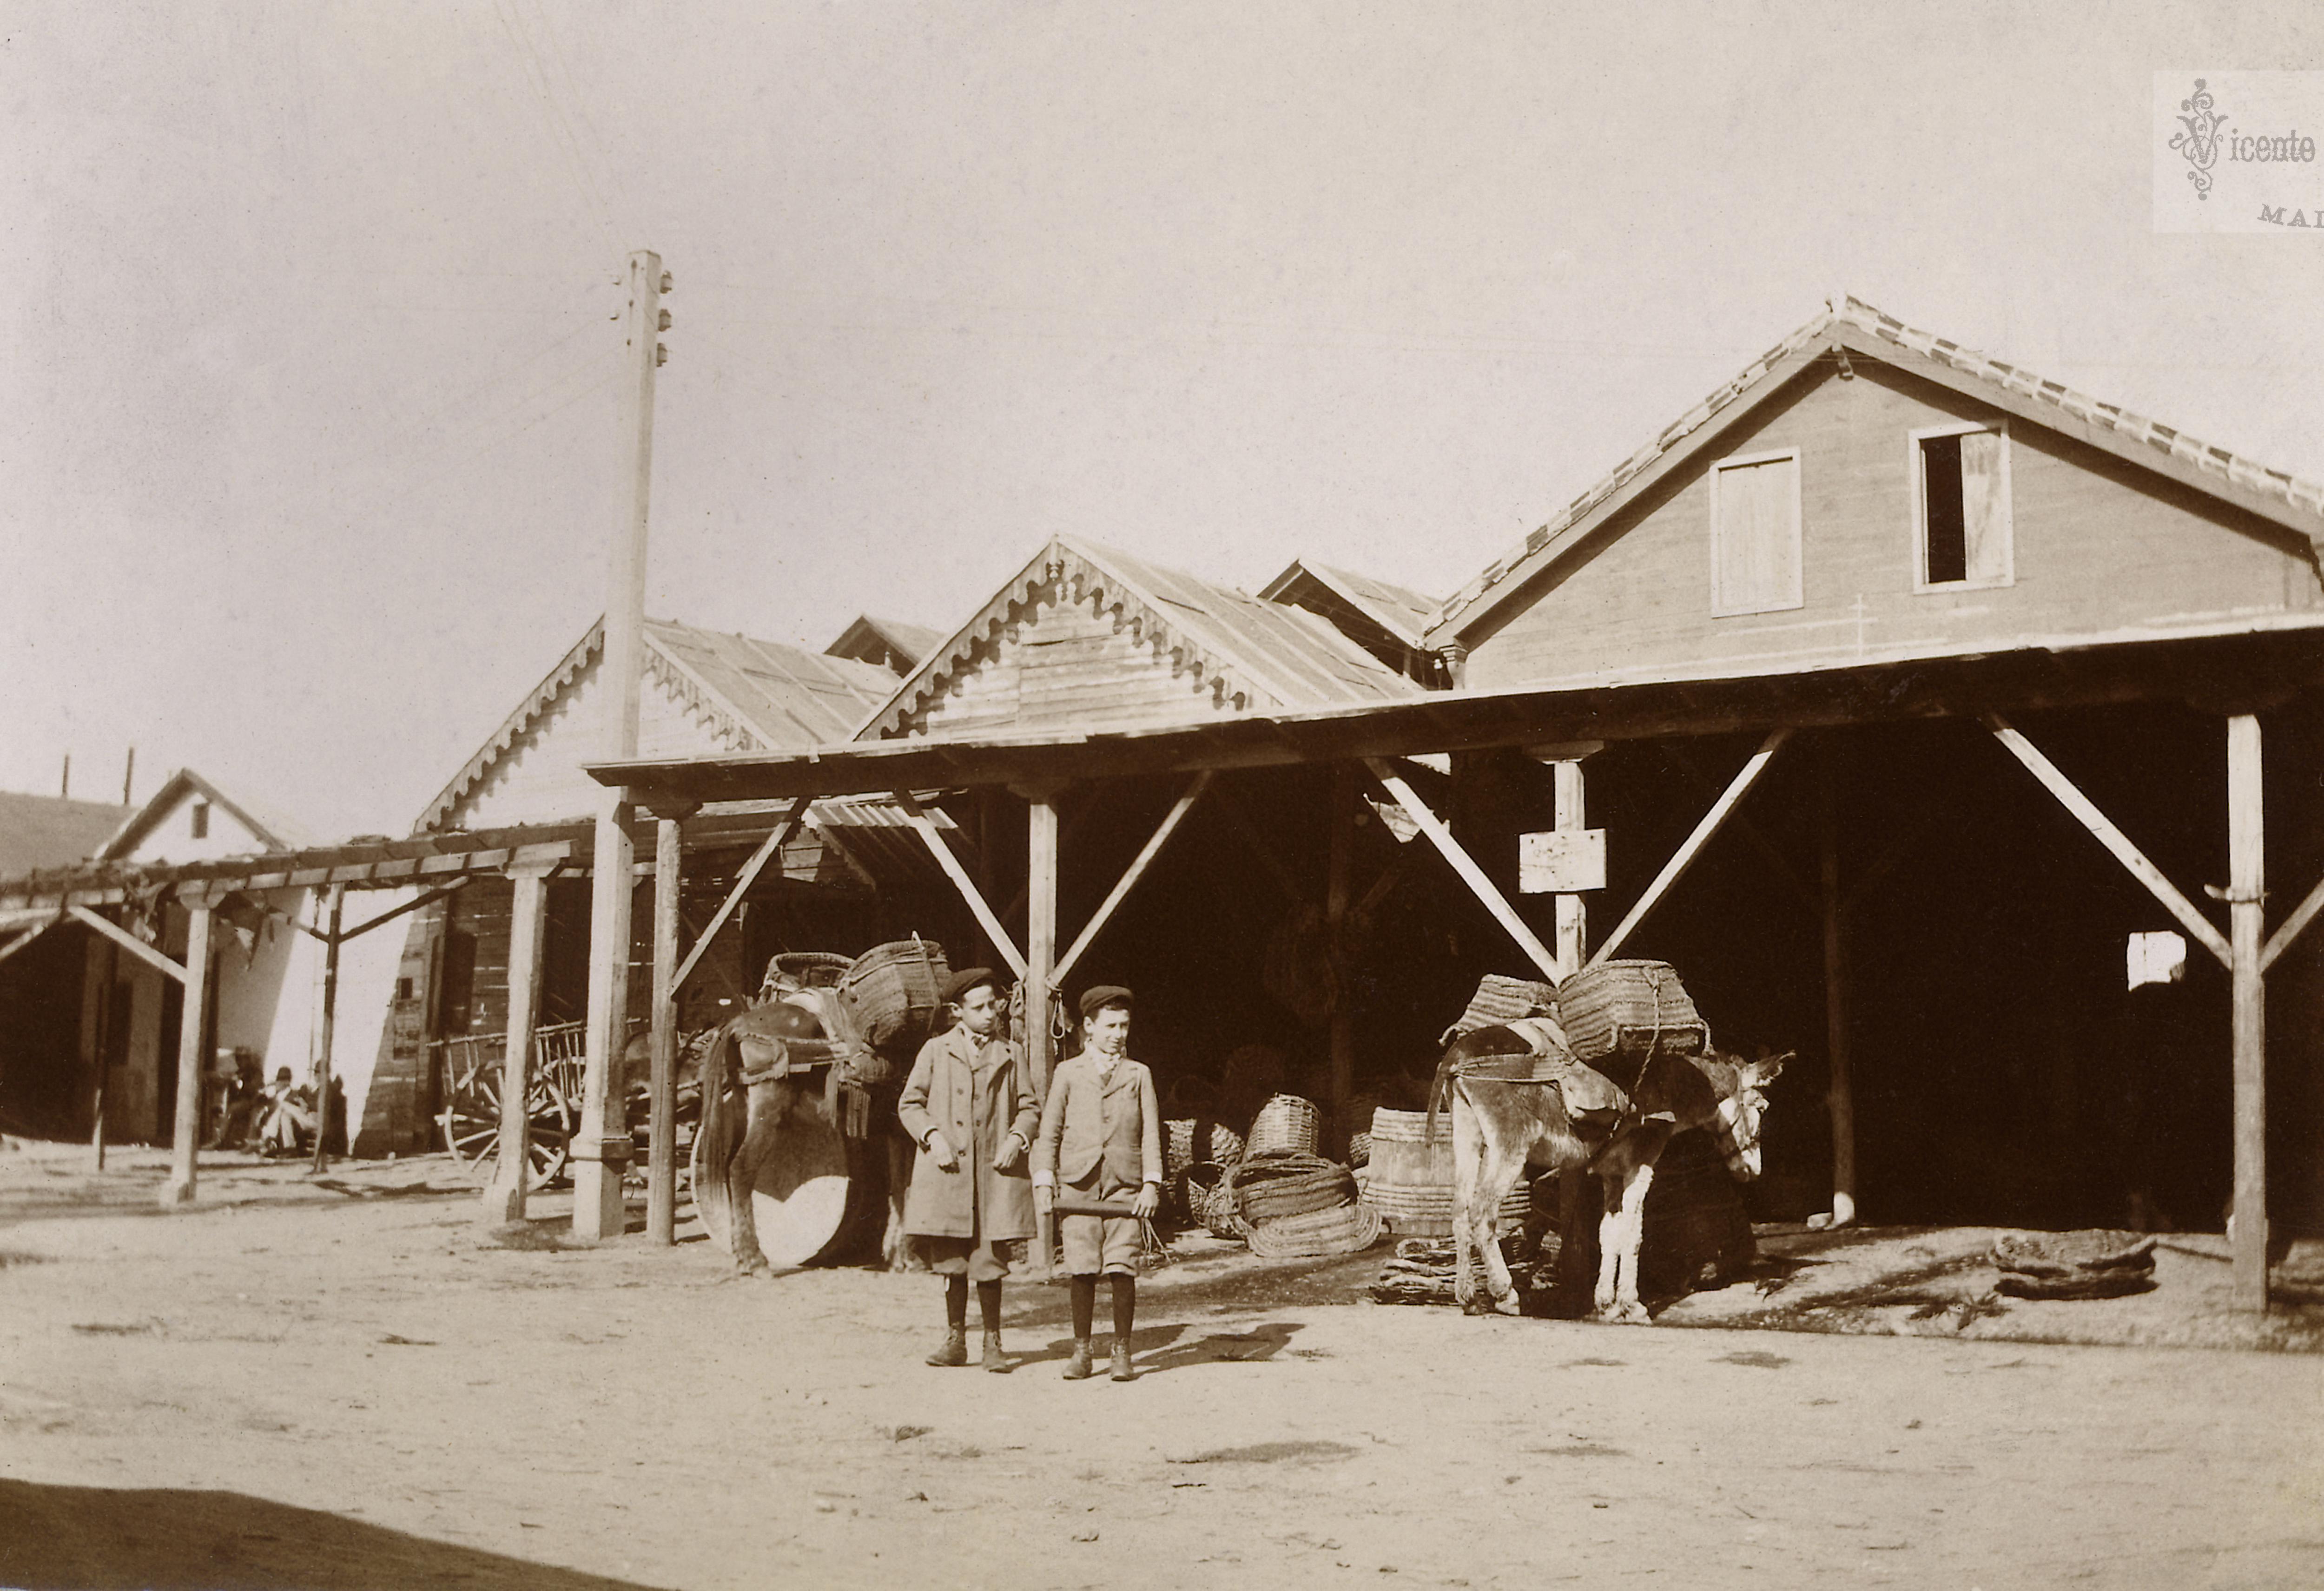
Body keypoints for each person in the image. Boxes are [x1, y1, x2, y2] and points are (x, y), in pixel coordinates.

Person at [896, 967, 1041, 1372]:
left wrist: (1017, 1138)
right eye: (978, 1007)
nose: (990, 1013)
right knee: (951, 1260)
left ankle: (993, 1343)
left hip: (993, 1176)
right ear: (957, 1012)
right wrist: (932, 1137)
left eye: (993, 1004)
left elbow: (1030, 1107)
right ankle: (955, 1339)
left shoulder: (1011, 1054)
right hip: (949, 1173)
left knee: (989, 1258)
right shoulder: (935, 1051)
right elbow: (910, 1103)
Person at [1033, 985, 1162, 1382]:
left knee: (1122, 1265)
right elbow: (1049, 1132)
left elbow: (1152, 1135)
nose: (1118, 1034)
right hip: (1078, 1184)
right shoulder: (1068, 1073)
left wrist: (1151, 1184)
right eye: (1109, 1026)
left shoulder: (1138, 1074)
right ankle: (1083, 1350)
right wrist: (1044, 1179)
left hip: (1124, 1185)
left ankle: (1122, 1350)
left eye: (1124, 1026)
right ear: (1088, 1027)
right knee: (1083, 1266)